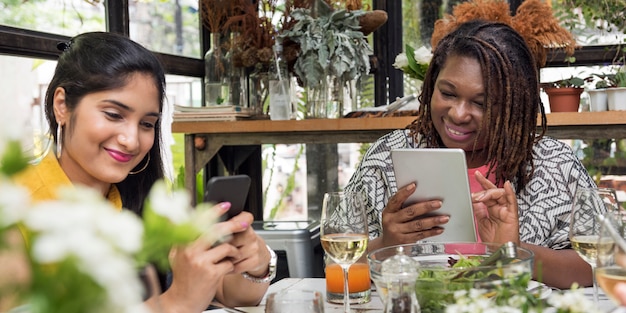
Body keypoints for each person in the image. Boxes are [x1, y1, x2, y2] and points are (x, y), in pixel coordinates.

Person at [13, 32, 272, 312]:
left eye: (147, 124)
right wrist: (176, 302)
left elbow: (233, 295)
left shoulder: (142, 206)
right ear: (62, 105)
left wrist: (253, 264)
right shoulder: (14, 211)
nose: (132, 140)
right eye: (113, 114)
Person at [343, 20, 598, 289]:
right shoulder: (386, 159)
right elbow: (337, 266)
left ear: (514, 106)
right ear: (431, 86)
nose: (458, 114)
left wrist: (514, 253)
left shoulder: (554, 164)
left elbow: (602, 264)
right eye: (448, 93)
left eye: (481, 103)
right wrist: (387, 244)